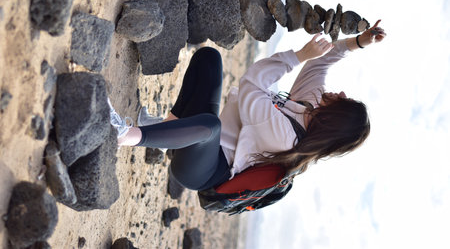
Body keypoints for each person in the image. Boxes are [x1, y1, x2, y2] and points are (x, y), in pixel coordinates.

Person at [109, 20, 386, 191]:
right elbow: (323, 60)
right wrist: (360, 41)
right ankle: (167, 133)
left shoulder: (287, 137)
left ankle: (125, 135)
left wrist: (299, 55)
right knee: (208, 59)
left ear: (335, 118)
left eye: (344, 100)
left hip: (203, 171)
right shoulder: (310, 105)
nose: (342, 92)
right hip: (202, 144)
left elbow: (251, 84)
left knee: (210, 125)